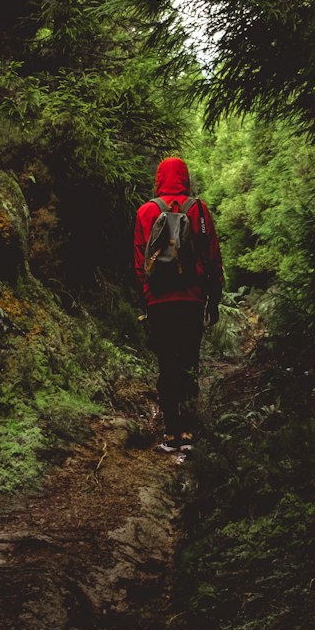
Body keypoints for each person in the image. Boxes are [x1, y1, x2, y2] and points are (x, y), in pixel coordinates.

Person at [134, 157, 224, 453]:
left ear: (159, 177)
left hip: (159, 302)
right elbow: (212, 255)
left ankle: (171, 432)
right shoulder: (198, 210)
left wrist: (147, 297)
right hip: (192, 300)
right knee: (189, 362)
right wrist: (214, 298)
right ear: (185, 177)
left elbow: (139, 262)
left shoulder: (146, 211)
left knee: (167, 365)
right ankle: (188, 432)